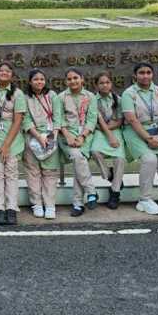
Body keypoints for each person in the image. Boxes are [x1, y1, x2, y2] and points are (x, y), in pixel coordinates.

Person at [121, 62, 158, 219]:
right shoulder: (129, 94)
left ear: (152, 74)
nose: (145, 75)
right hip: (137, 132)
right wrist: (148, 138)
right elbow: (132, 120)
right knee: (149, 159)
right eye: (141, 72)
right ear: (135, 75)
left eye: (148, 72)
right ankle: (145, 199)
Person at [0, 62, 26, 226]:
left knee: (11, 173)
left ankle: (11, 209)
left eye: (7, 71)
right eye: (1, 70)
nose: (4, 73)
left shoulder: (18, 94)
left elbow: (18, 121)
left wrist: (7, 145)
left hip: (12, 139)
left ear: (12, 75)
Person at [22, 69, 63, 220]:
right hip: (32, 137)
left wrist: (53, 136)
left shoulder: (52, 96)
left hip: (51, 137)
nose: (39, 82)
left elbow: (58, 116)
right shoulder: (25, 97)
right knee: (33, 172)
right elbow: (25, 119)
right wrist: (39, 137)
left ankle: (50, 205)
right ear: (30, 81)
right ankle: (36, 204)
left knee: (50, 173)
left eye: (42, 79)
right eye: (36, 79)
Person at [58, 68, 99, 217]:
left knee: (79, 162)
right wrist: (68, 136)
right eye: (69, 79)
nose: (72, 81)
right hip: (65, 136)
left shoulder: (90, 96)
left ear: (82, 79)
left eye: (75, 78)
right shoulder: (61, 97)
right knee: (77, 156)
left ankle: (78, 204)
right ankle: (91, 191)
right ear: (65, 81)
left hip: (85, 136)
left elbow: (92, 119)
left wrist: (82, 137)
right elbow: (59, 119)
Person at [90, 71, 127, 209]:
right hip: (100, 131)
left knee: (119, 158)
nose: (105, 85)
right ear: (96, 85)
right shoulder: (93, 100)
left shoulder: (118, 99)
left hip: (115, 129)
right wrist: (108, 133)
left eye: (107, 82)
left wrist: (112, 128)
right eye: (101, 83)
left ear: (111, 83)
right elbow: (96, 121)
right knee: (94, 151)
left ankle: (115, 192)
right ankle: (110, 175)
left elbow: (120, 120)